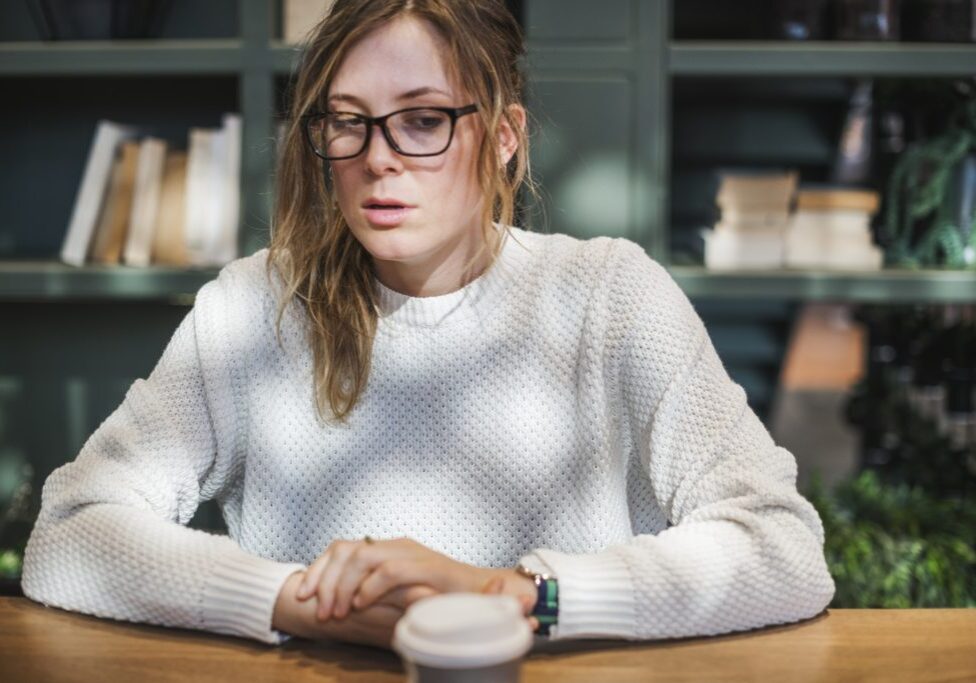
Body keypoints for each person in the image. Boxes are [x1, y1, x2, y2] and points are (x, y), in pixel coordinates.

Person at [21, 0, 835, 651]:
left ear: (505, 138)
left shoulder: (610, 296)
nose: (378, 158)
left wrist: (509, 594)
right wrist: (301, 602)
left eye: (421, 120)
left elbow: (782, 546)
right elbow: (69, 530)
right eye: (348, 120)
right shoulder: (249, 309)